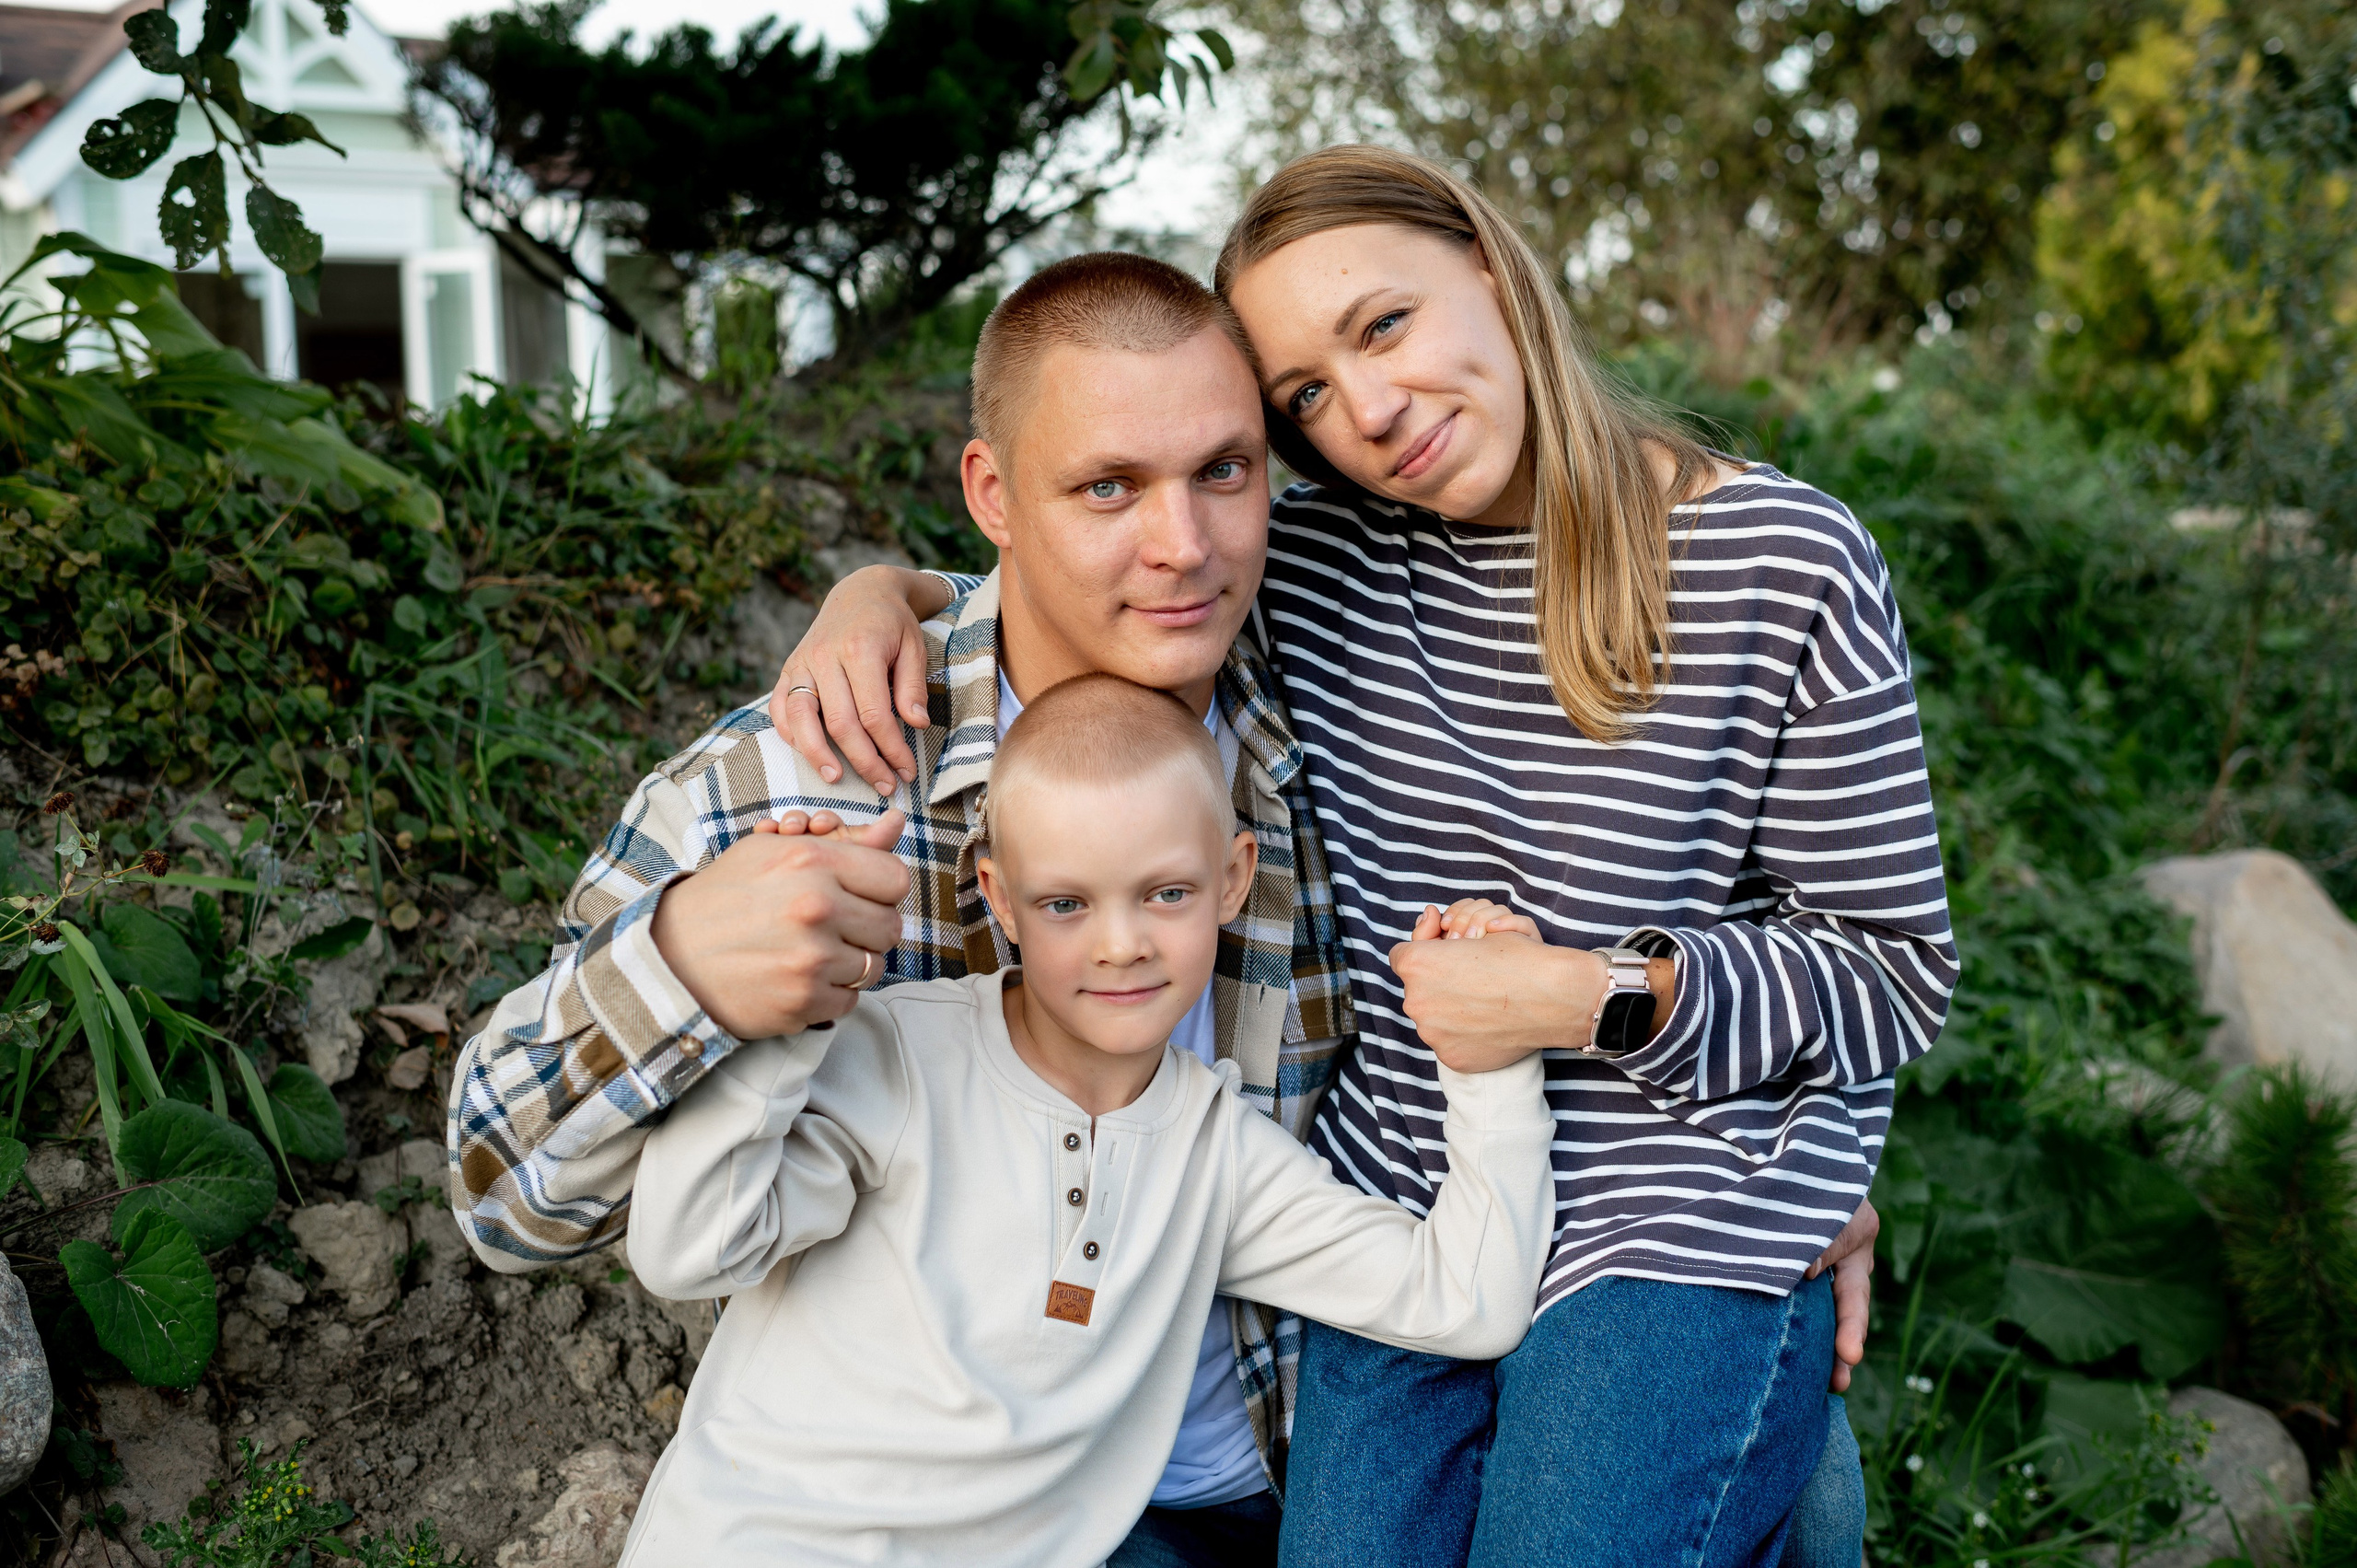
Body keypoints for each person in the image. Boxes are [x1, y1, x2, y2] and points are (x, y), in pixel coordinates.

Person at [768, 146, 1954, 1565]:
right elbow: (1089, 562)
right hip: (1410, 1198)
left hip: (1677, 1208)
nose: (1373, 413)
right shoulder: (1325, 557)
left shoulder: (1779, 561)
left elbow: (1893, 973)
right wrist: (876, 595)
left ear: (1492, 266)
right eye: (1307, 397)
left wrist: (1589, 995)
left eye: (1384, 325)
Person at [615, 674, 1558, 1566]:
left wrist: (1488, 1063)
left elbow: (1461, 1299)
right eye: (1066, 902)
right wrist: (789, 1023)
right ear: (1000, 896)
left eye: (1167, 893)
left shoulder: (1213, 1152)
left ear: (1233, 877)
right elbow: (687, 1250)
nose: (1121, 944)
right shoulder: (898, 1057)